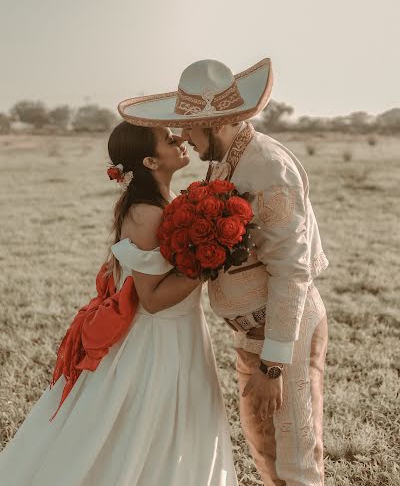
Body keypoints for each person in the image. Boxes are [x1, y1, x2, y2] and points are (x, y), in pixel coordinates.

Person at [117, 57, 329, 486]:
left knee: (295, 458)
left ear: (215, 124)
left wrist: (273, 365)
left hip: (281, 332)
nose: (183, 137)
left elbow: (293, 271)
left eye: (190, 128)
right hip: (250, 330)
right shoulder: (225, 159)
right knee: (265, 450)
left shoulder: (266, 166)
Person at [0, 120, 238, 486]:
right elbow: (153, 299)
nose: (178, 139)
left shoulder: (168, 202)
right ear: (150, 162)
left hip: (184, 330)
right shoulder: (145, 213)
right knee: (138, 433)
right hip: (156, 342)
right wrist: (211, 261)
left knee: (181, 427)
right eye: (166, 138)